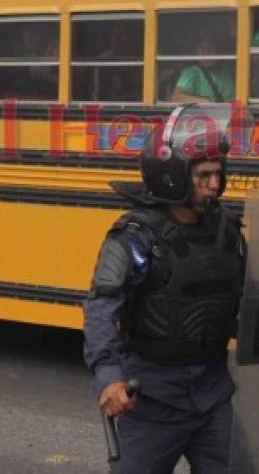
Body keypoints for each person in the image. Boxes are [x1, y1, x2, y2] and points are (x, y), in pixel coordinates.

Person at [83, 105, 245, 473]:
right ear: (171, 176)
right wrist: (109, 378)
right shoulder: (136, 240)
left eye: (218, 174)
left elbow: (246, 299)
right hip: (153, 399)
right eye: (204, 175)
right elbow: (101, 309)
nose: (215, 185)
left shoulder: (228, 233)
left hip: (213, 397)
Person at [171, 37, 234, 103]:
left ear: (218, 50)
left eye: (210, 48)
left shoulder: (230, 69)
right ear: (195, 53)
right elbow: (176, 98)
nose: (206, 53)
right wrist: (207, 102)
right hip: (205, 112)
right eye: (202, 49)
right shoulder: (191, 72)